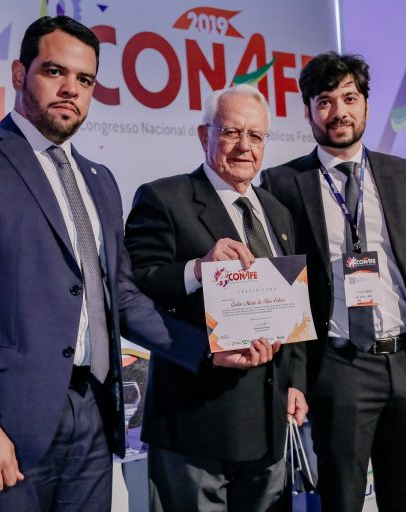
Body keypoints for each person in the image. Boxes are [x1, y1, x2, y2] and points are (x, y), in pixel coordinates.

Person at [0, 16, 275, 511]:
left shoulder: (99, 179)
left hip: (93, 415)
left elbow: (121, 298)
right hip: (3, 421)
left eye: (85, 79)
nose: (71, 89)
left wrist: (210, 349)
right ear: (18, 74)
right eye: (54, 71)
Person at [260, 52, 406, 512]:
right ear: (307, 111)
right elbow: (284, 289)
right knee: (342, 502)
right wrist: (298, 376)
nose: (339, 111)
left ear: (366, 103)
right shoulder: (282, 183)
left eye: (349, 98)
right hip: (340, 369)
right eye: (324, 101)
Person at [124, 84, 309, 512]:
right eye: (231, 132)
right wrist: (198, 269)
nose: (245, 146)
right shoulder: (164, 198)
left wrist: (295, 381)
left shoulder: (276, 211)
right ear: (203, 135)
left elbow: (292, 304)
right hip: (195, 424)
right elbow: (134, 286)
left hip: (269, 426)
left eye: (256, 135)